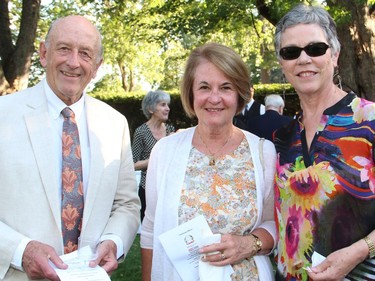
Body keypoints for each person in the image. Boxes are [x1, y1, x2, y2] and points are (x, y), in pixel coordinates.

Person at [0, 15, 140, 281]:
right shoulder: (2, 116)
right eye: (64, 48)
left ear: (97, 66)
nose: (73, 62)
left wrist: (113, 240)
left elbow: (126, 204)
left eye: (85, 53)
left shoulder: (114, 123)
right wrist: (21, 251)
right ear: (43, 53)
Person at [141, 42, 277, 280]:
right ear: (191, 93)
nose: (214, 98)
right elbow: (151, 230)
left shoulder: (263, 152)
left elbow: (273, 223)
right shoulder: (165, 152)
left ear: (239, 95)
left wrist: (249, 243)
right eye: (204, 87)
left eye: (225, 87)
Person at [273, 4, 375, 281]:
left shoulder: (370, 121)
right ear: (282, 64)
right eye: (291, 52)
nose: (303, 59)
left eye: (316, 48)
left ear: (335, 55)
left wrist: (360, 250)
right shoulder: (281, 139)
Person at [132, 90, 175, 222]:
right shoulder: (141, 132)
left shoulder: (170, 130)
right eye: (163, 104)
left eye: (167, 105)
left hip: (169, 187)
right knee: (150, 229)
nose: (167, 108)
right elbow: (133, 164)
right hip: (147, 188)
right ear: (151, 109)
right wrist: (155, 159)